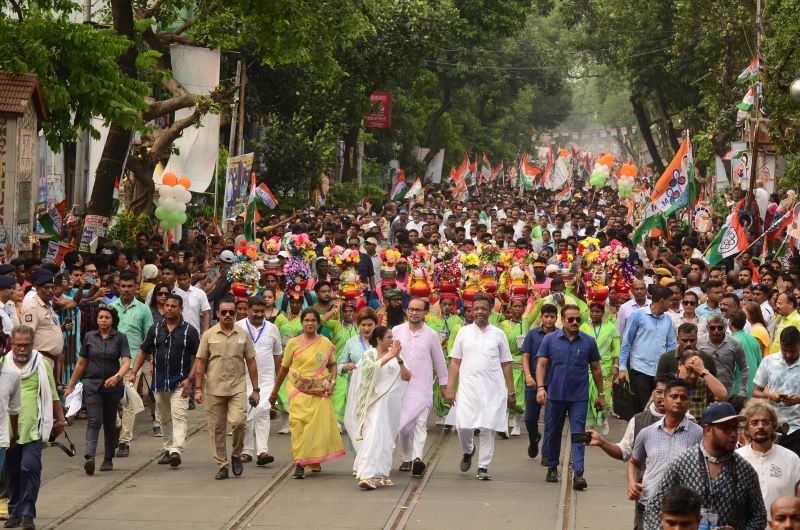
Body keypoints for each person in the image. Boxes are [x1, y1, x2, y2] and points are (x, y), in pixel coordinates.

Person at [643, 401, 767, 530]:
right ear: (708, 429)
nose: (733, 434)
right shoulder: (683, 463)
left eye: (736, 428)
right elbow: (653, 507)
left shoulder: (745, 470)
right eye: (726, 429)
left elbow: (759, 515)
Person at [445, 294, 515, 481]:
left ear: (490, 310)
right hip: (468, 388)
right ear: (471, 310)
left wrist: (511, 391)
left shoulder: (499, 334)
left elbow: (506, 364)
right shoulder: (463, 332)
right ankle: (469, 450)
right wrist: (450, 388)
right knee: (463, 426)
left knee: (487, 427)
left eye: (483, 308)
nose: (479, 312)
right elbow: (455, 362)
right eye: (476, 308)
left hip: (493, 389)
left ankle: (483, 466)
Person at [3, 325, 66, 530]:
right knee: (12, 472)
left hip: (34, 428)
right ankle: (14, 512)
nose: (22, 349)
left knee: (29, 468)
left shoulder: (41, 364)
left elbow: (53, 394)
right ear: (12, 344)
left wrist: (61, 420)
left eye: (26, 345)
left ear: (33, 344)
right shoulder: (3, 365)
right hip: (8, 431)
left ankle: (27, 514)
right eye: (18, 345)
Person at [269, 308, 345, 479]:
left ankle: (313, 460)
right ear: (302, 323)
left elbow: (332, 364)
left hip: (318, 392)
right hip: (297, 391)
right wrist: (274, 391)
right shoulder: (293, 343)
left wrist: (332, 382)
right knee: (298, 426)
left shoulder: (325, 343)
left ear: (318, 323)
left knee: (316, 428)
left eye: (313, 320)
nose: (310, 323)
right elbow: (284, 368)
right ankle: (300, 463)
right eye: (306, 320)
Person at [536, 304, 604, 490]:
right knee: (553, 432)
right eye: (571, 319)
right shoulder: (550, 340)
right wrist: (540, 388)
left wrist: (601, 394)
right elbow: (541, 365)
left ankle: (579, 474)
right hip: (555, 396)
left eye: (578, 319)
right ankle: (552, 467)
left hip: (579, 397)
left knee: (578, 434)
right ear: (563, 320)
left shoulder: (588, 342)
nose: (575, 322)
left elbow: (596, 369)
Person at [130, 294, 200, 468]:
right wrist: (134, 372)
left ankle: (177, 450)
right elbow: (143, 351)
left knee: (179, 415)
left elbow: (199, 357)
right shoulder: (155, 329)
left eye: (173, 306)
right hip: (159, 382)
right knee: (164, 418)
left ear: (181, 309)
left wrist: (190, 379)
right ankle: (168, 449)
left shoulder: (189, 331)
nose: (169, 309)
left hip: (180, 382)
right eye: (167, 305)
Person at [194, 297, 260, 480]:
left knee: (239, 422)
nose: (228, 315)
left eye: (232, 312)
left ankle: (237, 453)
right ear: (217, 313)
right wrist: (198, 388)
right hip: (213, 388)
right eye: (224, 312)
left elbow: (251, 362)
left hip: (237, 387)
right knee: (216, 428)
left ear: (236, 313)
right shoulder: (208, 335)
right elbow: (201, 362)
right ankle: (222, 464)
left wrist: (256, 389)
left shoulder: (243, 334)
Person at [627, 378, 703, 529]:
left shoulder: (699, 434)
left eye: (683, 398)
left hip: (682, 513)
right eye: (674, 396)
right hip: (648, 505)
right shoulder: (647, 433)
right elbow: (634, 462)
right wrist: (632, 483)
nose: (678, 401)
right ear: (664, 399)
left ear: (689, 403)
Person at [64, 306, 130, 474]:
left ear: (113, 320)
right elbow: (81, 362)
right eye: (100, 317)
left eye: (107, 317)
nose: (103, 320)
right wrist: (70, 385)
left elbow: (126, 362)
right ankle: (90, 457)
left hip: (112, 387)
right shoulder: (89, 337)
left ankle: (108, 458)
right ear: (97, 320)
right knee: (94, 420)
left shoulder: (120, 338)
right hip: (91, 385)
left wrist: (117, 377)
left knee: (109, 422)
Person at [349, 325, 411, 490]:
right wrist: (391, 355)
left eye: (392, 337)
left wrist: (398, 358)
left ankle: (381, 474)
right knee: (374, 436)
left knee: (386, 438)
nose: (392, 340)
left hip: (391, 404)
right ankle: (367, 474)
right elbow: (369, 371)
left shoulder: (396, 355)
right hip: (374, 403)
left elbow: (407, 376)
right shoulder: (369, 354)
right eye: (389, 337)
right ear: (379, 339)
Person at [393, 297, 448, 477]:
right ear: (407, 310)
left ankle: (417, 459)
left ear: (426, 313)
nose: (414, 313)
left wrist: (444, 386)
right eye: (411, 309)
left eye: (418, 310)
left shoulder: (431, 335)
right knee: (403, 426)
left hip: (422, 387)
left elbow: (440, 362)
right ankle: (406, 457)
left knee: (420, 423)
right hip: (400, 386)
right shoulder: (396, 331)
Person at [112, 270, 154, 458]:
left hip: (133, 363)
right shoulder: (111, 308)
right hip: (111, 362)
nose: (126, 290)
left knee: (128, 402)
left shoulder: (144, 309)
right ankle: (116, 426)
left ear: (136, 288)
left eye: (130, 286)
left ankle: (124, 441)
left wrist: (148, 361)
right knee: (111, 402)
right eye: (123, 286)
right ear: (118, 287)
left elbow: (149, 337)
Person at [736, 399, 800, 522]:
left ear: (773, 426)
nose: (760, 426)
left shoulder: (791, 459)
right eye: (754, 422)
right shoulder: (736, 458)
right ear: (746, 428)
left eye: (765, 422)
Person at [618, 285, 677, 414]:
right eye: (670, 300)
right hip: (640, 369)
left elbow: (671, 345)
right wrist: (622, 368)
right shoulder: (638, 316)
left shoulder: (668, 319)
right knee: (642, 407)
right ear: (662, 300)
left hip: (660, 371)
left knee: (660, 407)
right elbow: (626, 342)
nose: (672, 303)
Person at [237, 296, 282, 466]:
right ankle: (246, 451)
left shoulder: (272, 329)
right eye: (255, 311)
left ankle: (263, 451)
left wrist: (279, 381)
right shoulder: (238, 327)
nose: (258, 314)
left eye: (262, 311)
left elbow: (277, 355)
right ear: (248, 310)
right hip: (243, 379)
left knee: (262, 411)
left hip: (266, 380)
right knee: (246, 414)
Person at [753, 326, 800, 456]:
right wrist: (769, 396)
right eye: (785, 350)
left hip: (797, 428)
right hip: (771, 428)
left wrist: (798, 400)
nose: (788, 354)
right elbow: (755, 392)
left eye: (793, 351)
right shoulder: (769, 362)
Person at [520, 303, 558, 461]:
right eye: (546, 316)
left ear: (556, 318)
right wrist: (528, 375)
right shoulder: (532, 334)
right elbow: (525, 356)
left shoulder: (560, 335)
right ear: (541, 317)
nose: (549, 319)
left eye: (552, 317)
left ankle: (546, 453)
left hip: (553, 383)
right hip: (533, 383)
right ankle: (534, 438)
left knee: (550, 420)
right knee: (530, 418)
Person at [579, 301, 620, 435]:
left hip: (605, 367)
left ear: (603, 313)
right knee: (590, 397)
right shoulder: (583, 327)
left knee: (606, 400)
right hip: (587, 367)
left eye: (598, 311)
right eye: (592, 311)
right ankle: (589, 426)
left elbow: (616, 348)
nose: (594, 314)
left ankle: (603, 418)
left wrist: (616, 365)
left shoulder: (611, 327)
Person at [697, 313, 749, 397]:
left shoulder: (735, 343)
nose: (716, 331)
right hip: (703, 391)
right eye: (712, 328)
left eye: (720, 328)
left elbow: (744, 368)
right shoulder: (699, 342)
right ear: (707, 328)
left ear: (725, 327)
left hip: (726, 391)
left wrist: (742, 391)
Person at [20, 270, 64, 367]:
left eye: (52, 287)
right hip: (39, 359)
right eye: (46, 287)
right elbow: (26, 335)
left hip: (50, 359)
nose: (50, 290)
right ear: (37, 289)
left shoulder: (48, 304)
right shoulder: (32, 307)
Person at [675, 350, 727, 422]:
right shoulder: (668, 383)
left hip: (699, 426)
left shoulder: (703, 383)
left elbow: (722, 396)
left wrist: (703, 371)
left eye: (696, 372)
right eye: (689, 370)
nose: (693, 376)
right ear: (680, 365)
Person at [729, 309, 761, 396]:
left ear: (730, 323)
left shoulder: (730, 341)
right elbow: (760, 365)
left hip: (737, 391)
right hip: (753, 390)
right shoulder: (753, 339)